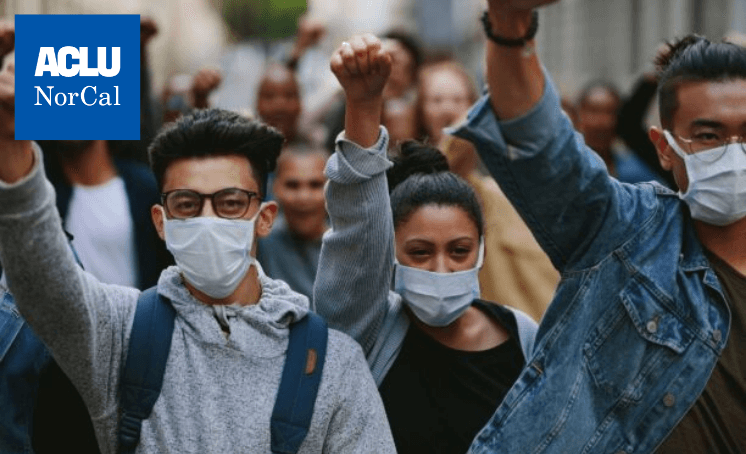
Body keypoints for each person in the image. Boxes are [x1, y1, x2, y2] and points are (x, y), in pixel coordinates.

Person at [0, 29, 395, 453]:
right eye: (187, 204)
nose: (208, 219)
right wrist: (10, 141)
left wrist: (364, 109)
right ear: (161, 221)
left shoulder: (331, 362)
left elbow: (359, 257)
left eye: (229, 203)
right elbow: (44, 285)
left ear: (264, 219)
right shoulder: (123, 335)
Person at [449, 1, 746, 452]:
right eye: (708, 136)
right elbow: (539, 142)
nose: (732, 152)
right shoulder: (626, 230)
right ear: (664, 149)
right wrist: (510, 24)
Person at [313, 35, 538, 454]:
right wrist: (363, 106)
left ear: (481, 250)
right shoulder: (371, 333)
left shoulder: (523, 338)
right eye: (419, 252)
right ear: (390, 253)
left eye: (459, 251)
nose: (440, 268)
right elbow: (357, 230)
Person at [257, 144, 329, 301]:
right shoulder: (260, 243)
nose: (303, 197)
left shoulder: (351, 245)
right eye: (292, 185)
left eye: (315, 185)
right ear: (275, 189)